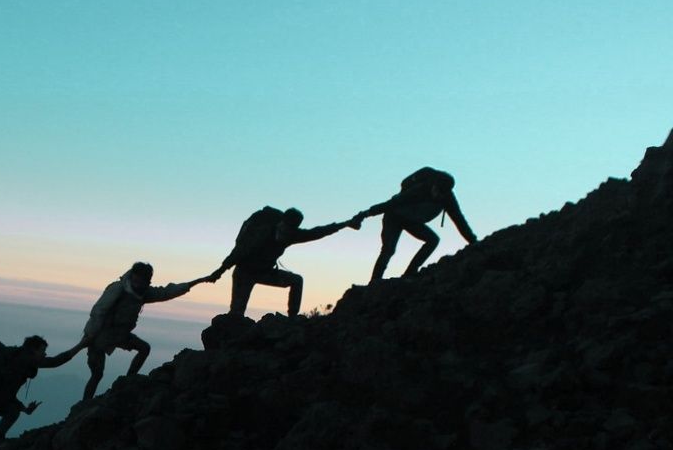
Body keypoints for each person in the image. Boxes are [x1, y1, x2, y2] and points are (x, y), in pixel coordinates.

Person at [70, 262, 213, 400]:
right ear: (132, 276)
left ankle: (128, 380)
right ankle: (85, 404)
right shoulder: (118, 289)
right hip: (98, 336)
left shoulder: (143, 293)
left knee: (144, 349)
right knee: (97, 374)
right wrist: (90, 336)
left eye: (142, 281)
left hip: (119, 335)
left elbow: (166, 292)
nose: (139, 284)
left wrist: (197, 281)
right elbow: (98, 312)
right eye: (137, 280)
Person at [210, 207, 361, 317]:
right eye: (283, 230)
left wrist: (346, 224)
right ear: (280, 222)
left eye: (288, 231)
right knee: (236, 313)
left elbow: (319, 231)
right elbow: (239, 252)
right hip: (244, 274)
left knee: (296, 281)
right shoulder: (261, 233)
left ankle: (292, 319)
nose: (284, 235)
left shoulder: (293, 235)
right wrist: (219, 271)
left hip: (266, 272)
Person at [356, 167, 477, 281]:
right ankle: (375, 282)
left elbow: (459, 220)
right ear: (434, 185)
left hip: (412, 221)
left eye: (441, 193)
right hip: (393, 216)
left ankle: (410, 272)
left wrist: (472, 241)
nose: (437, 195)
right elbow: (392, 203)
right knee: (388, 249)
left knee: (433, 240)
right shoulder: (420, 189)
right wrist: (367, 213)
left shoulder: (448, 199)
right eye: (437, 191)